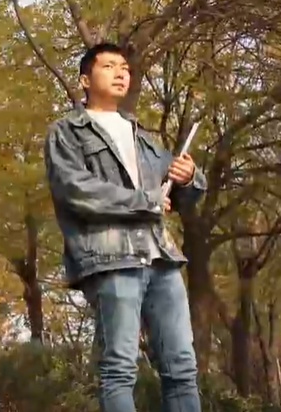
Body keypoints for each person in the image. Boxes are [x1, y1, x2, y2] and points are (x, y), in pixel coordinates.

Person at [43, 43, 206, 412]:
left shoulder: (142, 138)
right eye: (109, 66)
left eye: (125, 68)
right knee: (119, 368)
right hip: (111, 258)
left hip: (162, 259)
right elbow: (75, 190)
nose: (121, 73)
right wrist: (145, 201)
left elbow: (177, 196)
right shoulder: (67, 131)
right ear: (85, 80)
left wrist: (190, 176)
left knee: (182, 368)